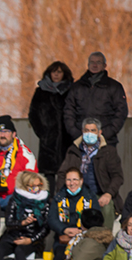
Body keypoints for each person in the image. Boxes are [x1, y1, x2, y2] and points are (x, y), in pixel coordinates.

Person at [57, 117, 123, 229]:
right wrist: (62, 194)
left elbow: (117, 177)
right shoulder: (74, 150)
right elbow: (62, 174)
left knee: (107, 209)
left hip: (100, 194)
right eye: (86, 130)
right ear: (82, 132)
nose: (89, 133)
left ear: (99, 132)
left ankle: (104, 241)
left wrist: (108, 194)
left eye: (93, 130)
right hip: (77, 193)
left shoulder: (108, 151)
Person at [0, 171, 49, 260]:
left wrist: (31, 240)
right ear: (25, 186)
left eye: (38, 185)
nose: (36, 189)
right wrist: (22, 223)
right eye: (33, 186)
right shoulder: (15, 200)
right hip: (13, 235)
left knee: (20, 251)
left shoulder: (44, 203)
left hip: (32, 238)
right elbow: (9, 222)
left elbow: (45, 228)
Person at [63, 52, 129, 145]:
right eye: (92, 62)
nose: (95, 65)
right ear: (88, 64)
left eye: (98, 62)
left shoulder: (114, 87)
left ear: (104, 65)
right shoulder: (76, 87)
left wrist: (106, 133)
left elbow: (121, 112)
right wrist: (75, 133)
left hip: (106, 140)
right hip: (80, 140)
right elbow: (68, 111)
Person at [29, 61, 75, 189]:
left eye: (59, 71)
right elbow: (33, 115)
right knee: (48, 176)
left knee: (67, 173)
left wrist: (71, 132)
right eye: (53, 71)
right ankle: (49, 204)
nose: (56, 74)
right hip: (48, 141)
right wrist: (43, 134)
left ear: (64, 74)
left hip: (67, 141)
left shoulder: (71, 91)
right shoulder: (40, 92)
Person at [48, 169, 97, 260]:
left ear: (81, 181)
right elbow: (51, 219)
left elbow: (96, 218)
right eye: (69, 180)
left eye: (75, 179)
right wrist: (64, 229)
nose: (72, 183)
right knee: (60, 256)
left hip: (85, 238)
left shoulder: (90, 197)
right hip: (64, 238)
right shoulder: (59, 197)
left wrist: (82, 231)